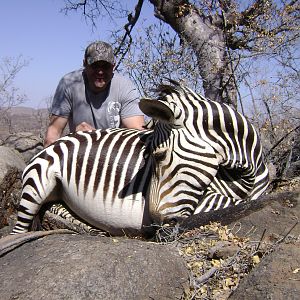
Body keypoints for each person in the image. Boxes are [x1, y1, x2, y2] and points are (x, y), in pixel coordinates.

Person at [44, 41, 145, 147]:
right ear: (84, 63)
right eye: (95, 65)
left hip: (114, 151)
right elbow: (53, 133)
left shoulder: (125, 87)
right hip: (80, 148)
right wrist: (73, 138)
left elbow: (138, 133)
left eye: (105, 66)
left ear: (113, 66)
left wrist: (97, 138)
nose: (100, 71)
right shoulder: (69, 83)